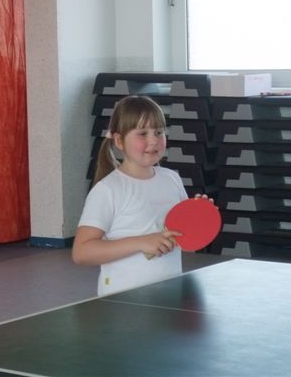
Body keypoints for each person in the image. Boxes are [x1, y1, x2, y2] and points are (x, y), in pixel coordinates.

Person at [73, 95, 206, 296]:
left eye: (159, 132)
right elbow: (81, 252)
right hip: (123, 302)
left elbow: (187, 242)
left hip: (168, 297)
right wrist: (141, 242)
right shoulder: (107, 190)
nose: (153, 140)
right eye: (142, 133)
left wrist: (200, 217)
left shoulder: (172, 179)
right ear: (119, 140)